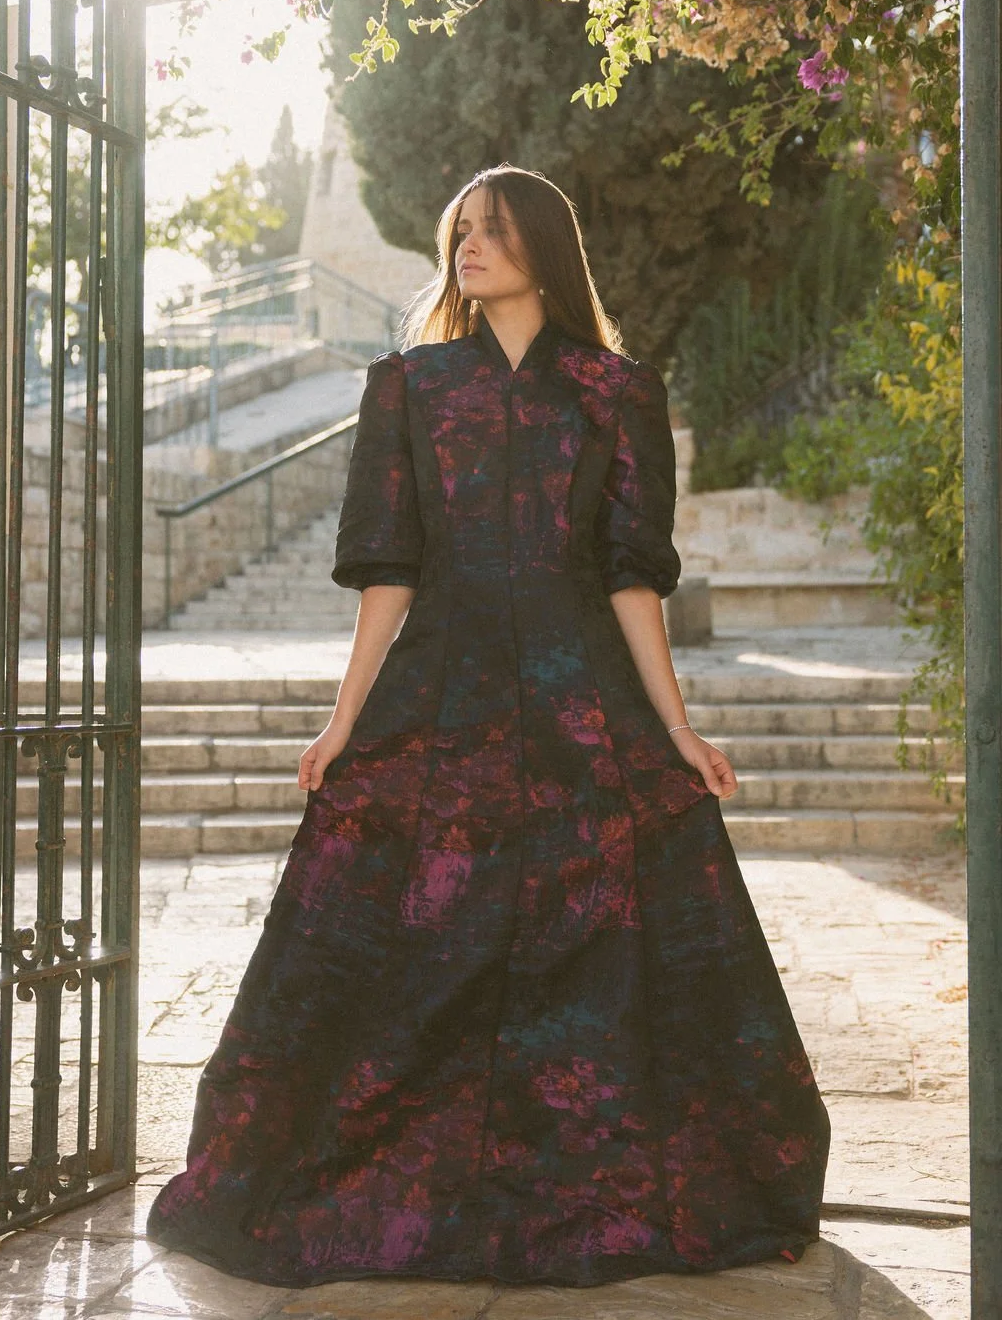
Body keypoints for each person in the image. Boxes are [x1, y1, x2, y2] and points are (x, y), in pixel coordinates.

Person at [146, 164, 831, 1289]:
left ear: (543, 247)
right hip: (439, 698)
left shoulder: (615, 390)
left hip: (583, 703)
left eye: (493, 229)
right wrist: (341, 721)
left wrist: (678, 726)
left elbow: (631, 576)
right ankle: (406, 1177)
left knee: (597, 938)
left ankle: (588, 1177)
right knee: (410, 934)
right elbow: (390, 573)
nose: (468, 245)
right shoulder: (408, 387)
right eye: (459, 228)